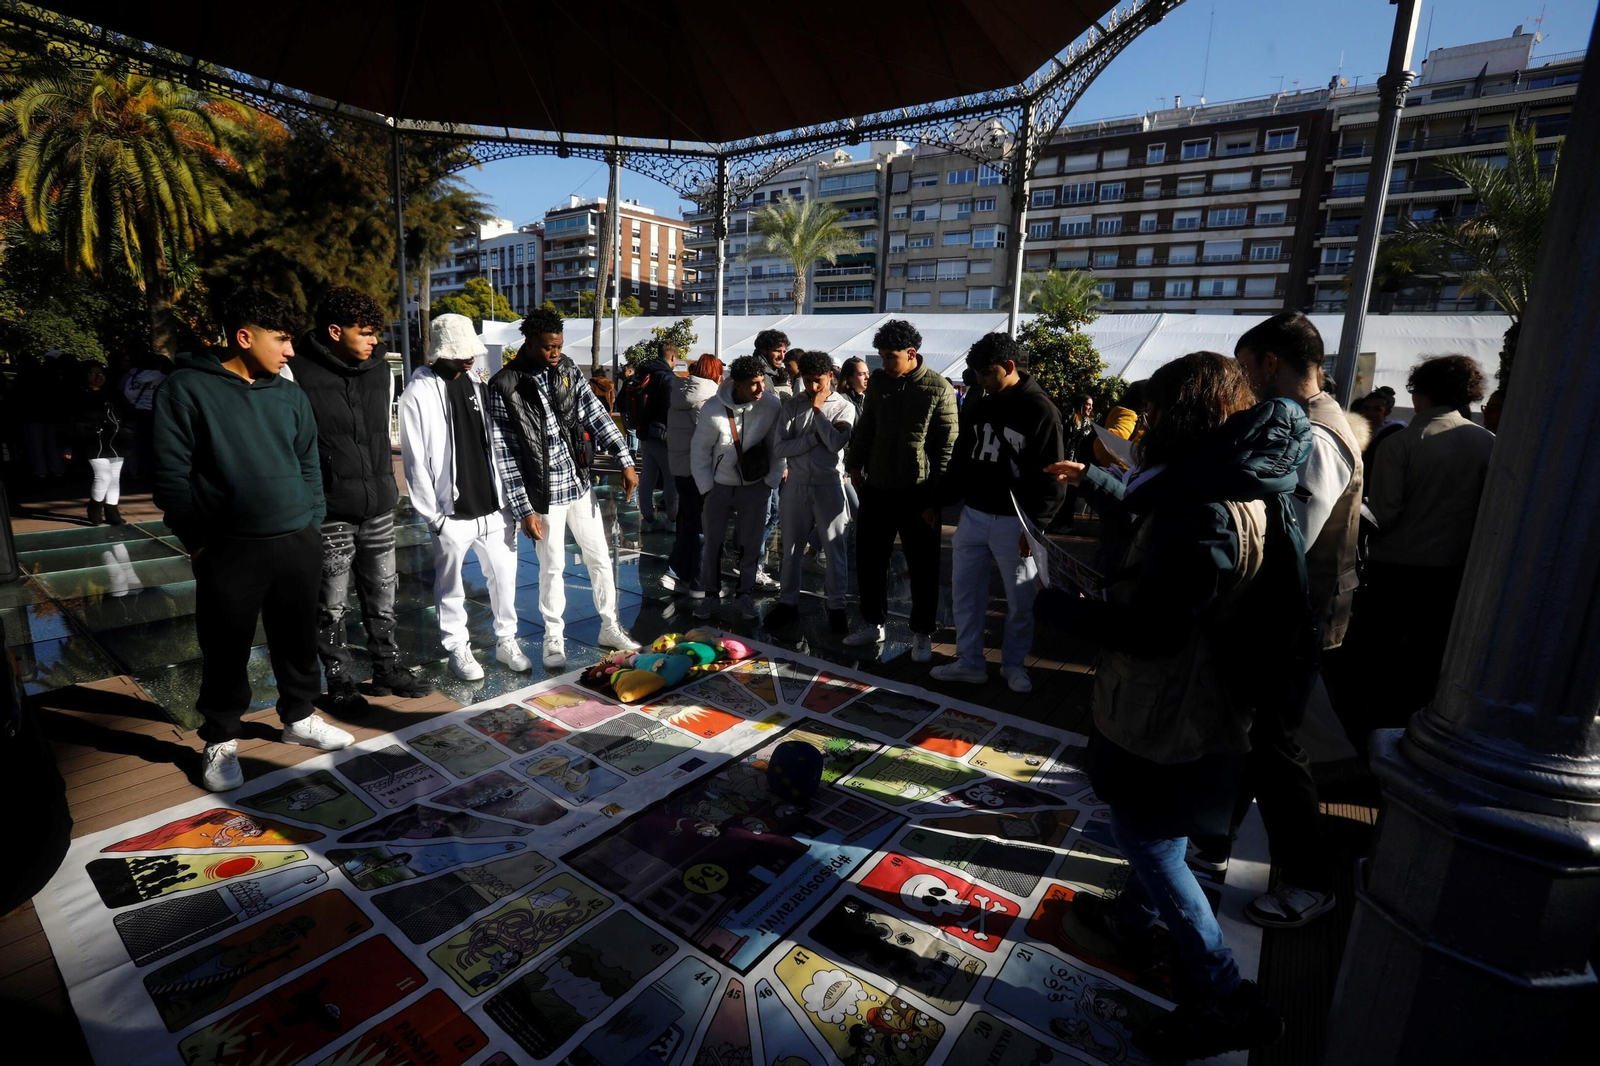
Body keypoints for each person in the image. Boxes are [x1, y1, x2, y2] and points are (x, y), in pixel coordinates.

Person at [1037, 352, 1309, 1060]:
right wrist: (1101, 482)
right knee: (1163, 832)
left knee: (1149, 841)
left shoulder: (1202, 508)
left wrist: (1064, 610)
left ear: (1184, 417)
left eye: (1157, 413)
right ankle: (1131, 919)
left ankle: (1226, 996)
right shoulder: (1240, 478)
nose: (1147, 426)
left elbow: (1156, 631)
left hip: (1173, 706)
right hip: (1204, 698)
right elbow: (1161, 525)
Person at [152, 289, 354, 792]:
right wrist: (197, 540)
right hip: (228, 547)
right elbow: (171, 475)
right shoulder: (186, 389)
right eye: (281, 340)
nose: (290, 351)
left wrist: (311, 521)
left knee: (297, 637)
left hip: (297, 541)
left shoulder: (288, 394)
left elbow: (310, 461)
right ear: (245, 337)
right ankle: (220, 737)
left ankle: (299, 716)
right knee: (225, 647)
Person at [1222, 311, 1364, 928]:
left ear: (1269, 363)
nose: (1244, 382)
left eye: (1246, 368)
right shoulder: (1307, 426)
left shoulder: (1318, 436)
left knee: (1275, 751)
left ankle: (1310, 880)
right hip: (1278, 617)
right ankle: (1208, 841)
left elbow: (1283, 541)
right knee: (1252, 744)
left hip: (1289, 622)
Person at [293, 286, 430, 714]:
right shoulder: (296, 368)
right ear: (335, 331)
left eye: (376, 333)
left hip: (379, 502)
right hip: (331, 507)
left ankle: (387, 666)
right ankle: (338, 680)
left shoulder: (378, 369)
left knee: (383, 592)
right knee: (331, 602)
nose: (374, 341)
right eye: (366, 332)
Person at [488, 308, 643, 669]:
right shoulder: (504, 384)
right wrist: (523, 508)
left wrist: (625, 459)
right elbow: (505, 453)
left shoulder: (568, 370)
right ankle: (553, 637)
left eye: (558, 346)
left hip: (578, 482)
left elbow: (595, 414)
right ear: (528, 343)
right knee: (552, 566)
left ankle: (610, 626)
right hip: (543, 492)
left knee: (600, 558)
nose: (555, 353)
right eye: (547, 348)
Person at [1348, 354, 1495, 734]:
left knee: (1382, 659)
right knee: (1429, 659)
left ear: (1421, 394)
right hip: (1455, 572)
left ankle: (1376, 732)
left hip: (1396, 571)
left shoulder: (1403, 443)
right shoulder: (1487, 443)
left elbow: (1385, 512)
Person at [930, 333, 1064, 693]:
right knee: (965, 593)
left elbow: (1055, 476)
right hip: (973, 513)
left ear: (1007, 367)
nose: (980, 380)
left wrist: (1035, 526)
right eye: (976, 374)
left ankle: (1014, 664)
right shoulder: (980, 402)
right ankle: (969, 661)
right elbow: (961, 459)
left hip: (1015, 520)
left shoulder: (1042, 410)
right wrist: (939, 500)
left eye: (986, 373)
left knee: (1021, 599)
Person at [399, 313, 528, 682]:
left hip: (493, 506)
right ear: (442, 351)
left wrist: (509, 502)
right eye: (462, 353)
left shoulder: (476, 383)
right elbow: (415, 461)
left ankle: (507, 640)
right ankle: (457, 646)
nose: (470, 358)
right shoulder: (418, 394)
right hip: (451, 514)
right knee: (450, 586)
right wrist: (433, 517)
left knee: (505, 579)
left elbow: (496, 443)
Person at [843, 319, 958, 660]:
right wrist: (854, 463)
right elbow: (867, 426)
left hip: (918, 493)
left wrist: (936, 501)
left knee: (923, 566)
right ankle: (872, 622)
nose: (884, 364)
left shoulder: (939, 388)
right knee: (869, 559)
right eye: (880, 357)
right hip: (877, 486)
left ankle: (922, 632)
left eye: (890, 357)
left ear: (911, 354)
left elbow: (946, 451)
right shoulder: (879, 383)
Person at [765, 350, 856, 633]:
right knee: (790, 547)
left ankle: (837, 606)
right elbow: (780, 448)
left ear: (830, 375)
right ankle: (787, 603)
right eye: (807, 381)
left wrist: (817, 412)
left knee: (834, 549)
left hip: (829, 484)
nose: (813, 387)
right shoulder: (792, 404)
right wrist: (813, 438)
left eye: (818, 381)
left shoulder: (843, 406)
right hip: (797, 484)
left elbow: (835, 443)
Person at [690, 355, 785, 621]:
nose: (760, 389)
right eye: (753, 384)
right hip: (719, 485)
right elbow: (699, 451)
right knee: (712, 544)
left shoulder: (771, 405)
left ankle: (744, 596)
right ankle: (711, 596)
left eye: (761, 382)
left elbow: (775, 447)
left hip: (756, 486)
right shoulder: (712, 409)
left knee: (752, 544)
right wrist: (707, 488)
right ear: (737, 384)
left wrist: (770, 482)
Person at [664, 353, 722, 596]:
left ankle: (682, 576)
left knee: (689, 522)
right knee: (701, 527)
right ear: (714, 373)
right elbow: (709, 436)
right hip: (699, 471)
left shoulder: (679, 392)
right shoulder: (706, 399)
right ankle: (693, 580)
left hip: (679, 468)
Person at [749, 329, 792, 587]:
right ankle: (751, 565)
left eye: (784, 350)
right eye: (778, 350)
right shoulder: (761, 375)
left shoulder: (775, 374)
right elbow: (767, 420)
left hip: (773, 455)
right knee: (766, 514)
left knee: (772, 513)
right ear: (765, 349)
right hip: (765, 456)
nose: (782, 355)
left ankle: (749, 560)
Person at [627, 341, 679, 532]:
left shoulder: (644, 372)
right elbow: (670, 409)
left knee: (647, 476)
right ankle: (673, 519)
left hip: (644, 432)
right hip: (663, 433)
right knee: (671, 477)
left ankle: (647, 517)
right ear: (672, 357)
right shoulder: (667, 378)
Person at [72, 362, 130, 525]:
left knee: (114, 477)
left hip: (115, 439)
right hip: (93, 440)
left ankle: (112, 511)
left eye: (101, 374)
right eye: (93, 374)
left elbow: (126, 412)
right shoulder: (78, 394)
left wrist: (125, 427)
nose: (98, 377)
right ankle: (95, 507)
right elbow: (73, 418)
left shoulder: (114, 393)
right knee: (103, 476)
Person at [120, 351, 171, 480]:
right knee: (158, 443)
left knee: (141, 443)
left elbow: (128, 394)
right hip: (158, 412)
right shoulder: (165, 376)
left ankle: (143, 469)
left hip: (140, 412)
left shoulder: (134, 376)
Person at [1054, 392, 1096, 532]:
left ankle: (1067, 522)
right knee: (1062, 492)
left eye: (1091, 405)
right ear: (1080, 404)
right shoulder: (1070, 418)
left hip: (1079, 463)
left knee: (1071, 494)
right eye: (1087, 404)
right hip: (1067, 459)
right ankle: (1058, 522)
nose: (1090, 408)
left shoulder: (1089, 422)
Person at [1093, 379, 1147, 468]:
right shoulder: (1128, 415)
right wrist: (1127, 469)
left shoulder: (1121, 412)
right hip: (1107, 473)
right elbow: (1105, 447)